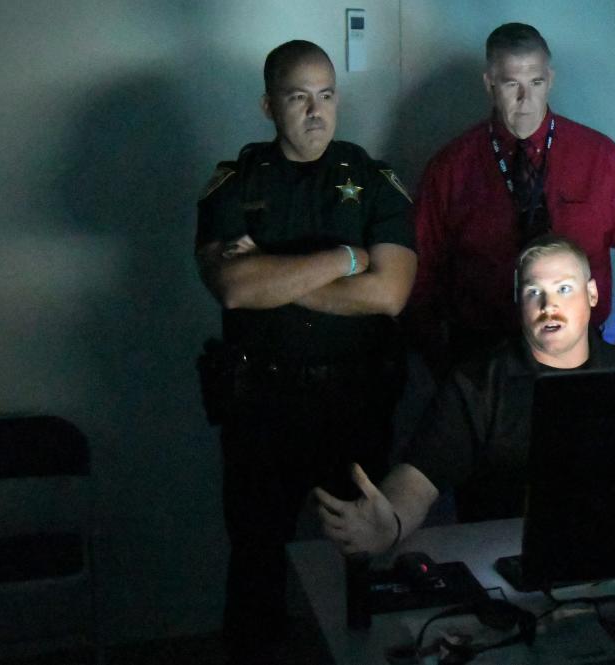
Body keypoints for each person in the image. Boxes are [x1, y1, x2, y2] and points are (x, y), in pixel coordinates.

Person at [194, 40, 416, 657]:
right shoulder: (234, 183)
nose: (316, 112)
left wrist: (277, 275)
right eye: (298, 98)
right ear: (269, 106)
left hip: (354, 405)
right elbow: (235, 288)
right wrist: (346, 259)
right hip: (260, 411)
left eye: (326, 95)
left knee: (362, 568)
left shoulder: (373, 180)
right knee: (256, 568)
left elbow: (390, 294)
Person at [314, 235, 615, 556]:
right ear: (518, 303)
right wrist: (392, 524)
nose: (549, 305)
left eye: (564, 289)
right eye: (534, 292)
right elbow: (420, 476)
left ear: (593, 295)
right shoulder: (478, 384)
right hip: (509, 569)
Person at [407, 22, 615, 370]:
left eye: (535, 83)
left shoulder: (600, 159)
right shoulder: (451, 168)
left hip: (581, 356)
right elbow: (421, 274)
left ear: (550, 80)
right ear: (489, 85)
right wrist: (442, 363)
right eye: (512, 84)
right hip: (481, 359)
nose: (525, 100)